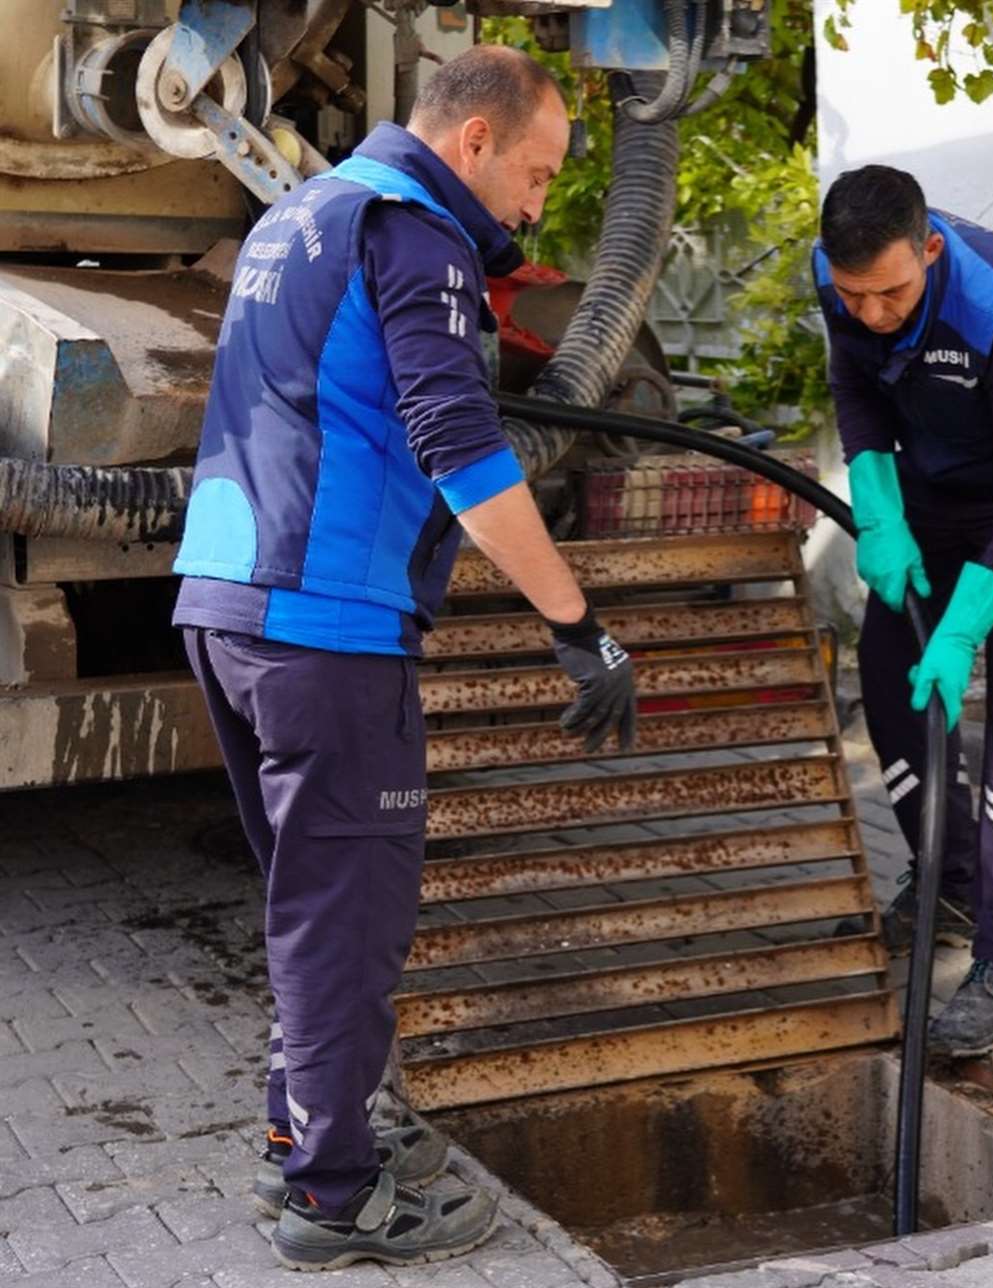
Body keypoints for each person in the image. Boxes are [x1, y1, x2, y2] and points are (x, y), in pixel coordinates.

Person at [171, 46, 637, 1272]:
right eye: (535, 175)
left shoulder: (303, 215)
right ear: (473, 141)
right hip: (325, 625)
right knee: (347, 920)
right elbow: (460, 446)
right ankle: (335, 1200)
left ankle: (310, 1129)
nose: (536, 208)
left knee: (305, 904)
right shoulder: (412, 230)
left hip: (226, 602)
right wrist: (576, 627)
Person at [814, 165, 993, 1059]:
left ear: (930, 249)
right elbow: (858, 390)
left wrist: (963, 627)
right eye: (854, 294)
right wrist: (877, 509)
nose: (872, 313)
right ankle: (951, 881)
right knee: (892, 686)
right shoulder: (841, 275)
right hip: (933, 490)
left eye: (892, 292)